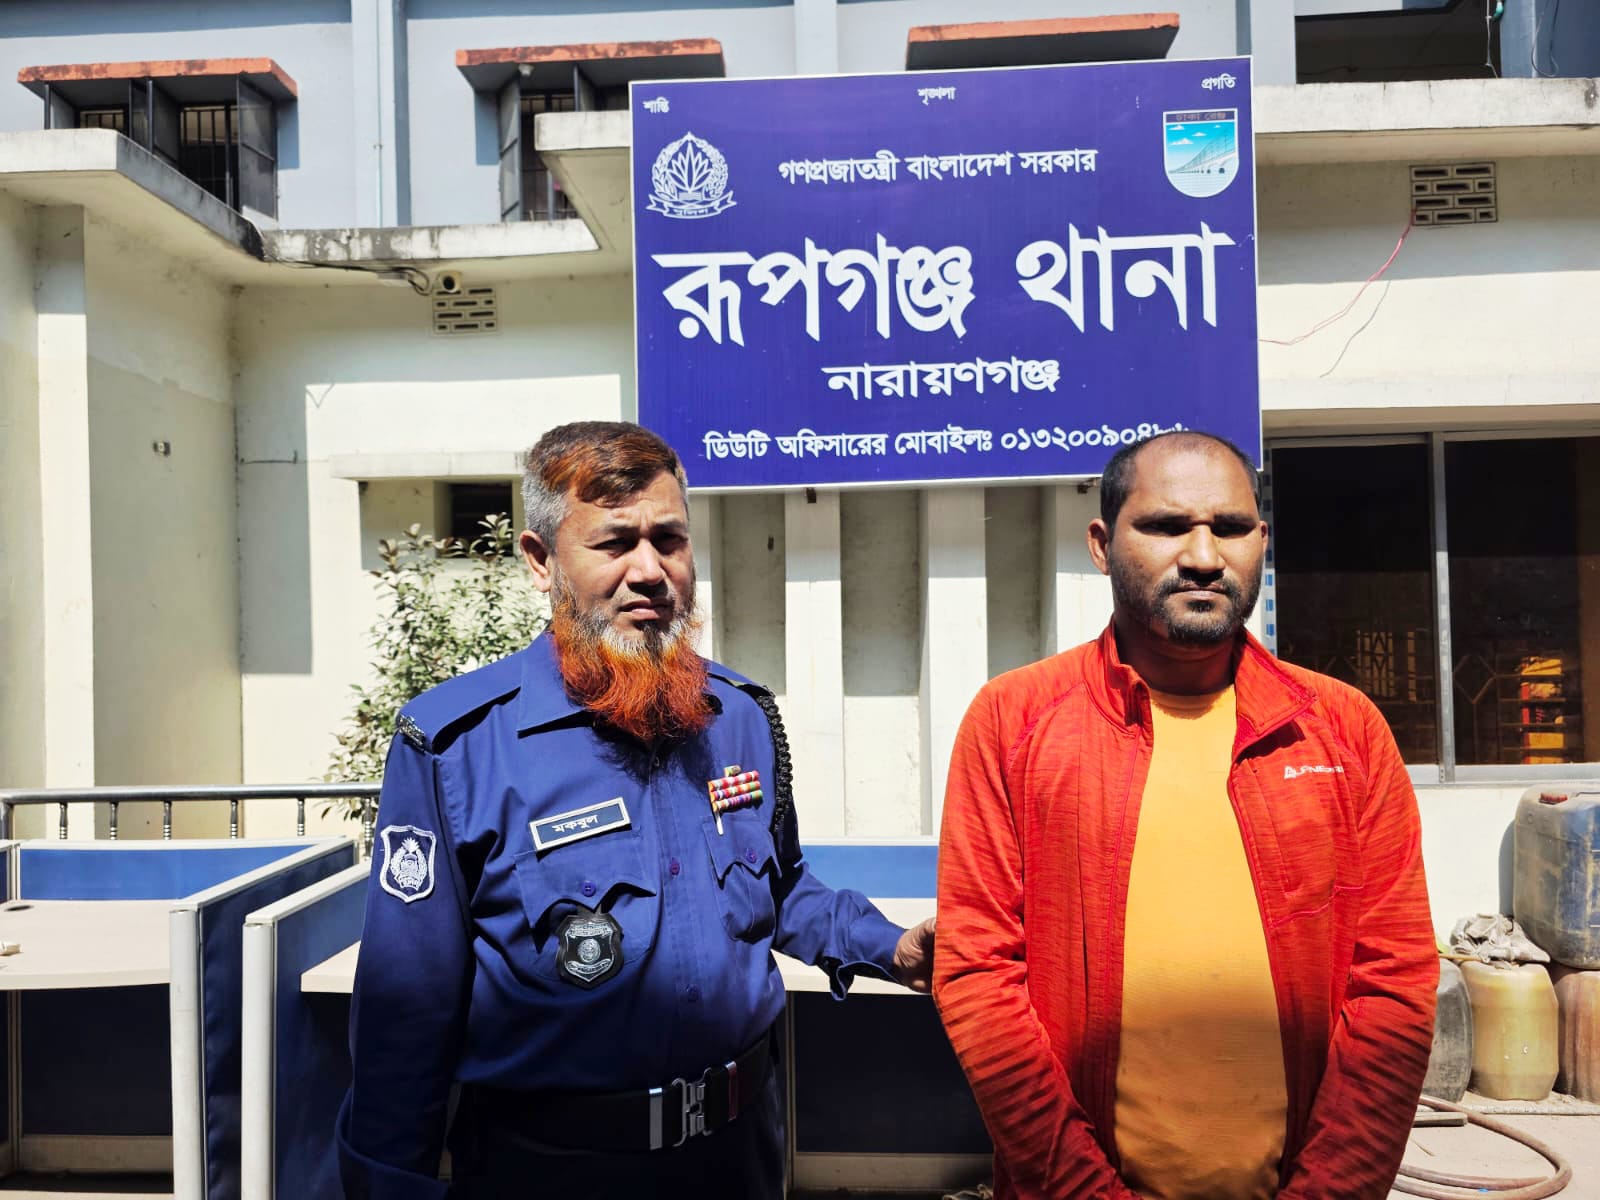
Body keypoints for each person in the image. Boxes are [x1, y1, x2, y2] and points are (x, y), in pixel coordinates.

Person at [338, 420, 935, 1199]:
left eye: (670, 540)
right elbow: (405, 1008)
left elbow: (781, 888)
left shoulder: (738, 716)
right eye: (615, 543)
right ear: (541, 560)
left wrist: (890, 946)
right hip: (553, 1172)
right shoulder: (456, 747)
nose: (650, 571)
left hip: (738, 1156)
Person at [934, 431, 1437, 1200]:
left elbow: (1394, 984)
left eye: (1229, 528)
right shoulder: (1014, 722)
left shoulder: (1342, 729)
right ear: (1101, 545)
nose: (1204, 557)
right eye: (1167, 526)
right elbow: (977, 974)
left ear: (1261, 541)